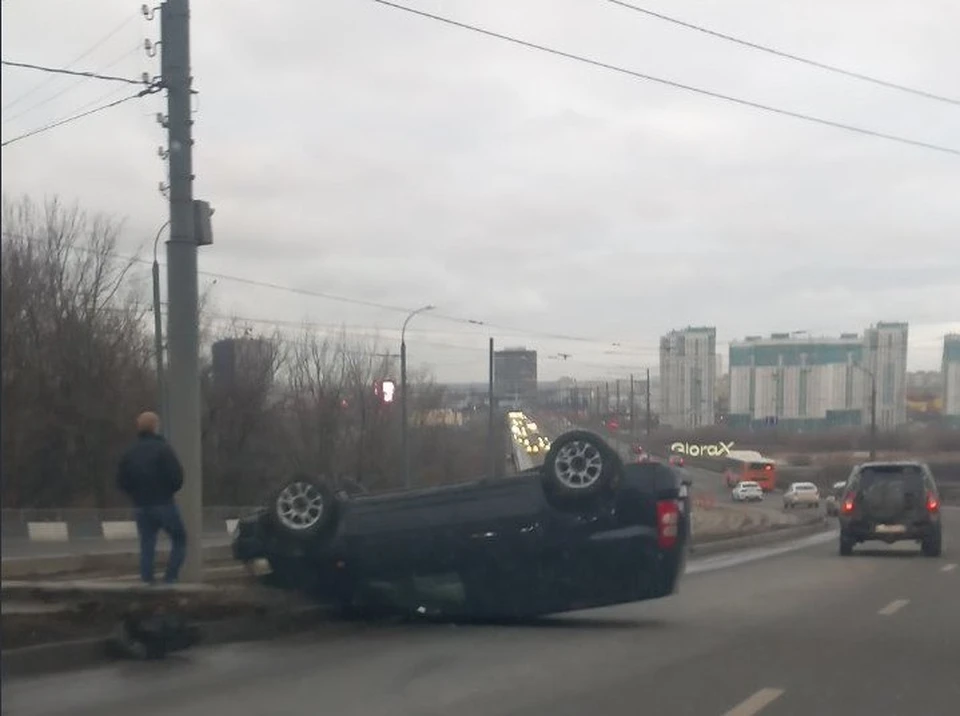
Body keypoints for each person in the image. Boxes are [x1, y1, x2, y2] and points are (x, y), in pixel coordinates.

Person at [117, 411, 187, 584]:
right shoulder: (163, 449)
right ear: (156, 427)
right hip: (164, 503)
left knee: (147, 545)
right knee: (180, 539)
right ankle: (170, 578)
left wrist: (136, 495)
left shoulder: (130, 452)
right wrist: (167, 491)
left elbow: (121, 480)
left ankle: (147, 582)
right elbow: (177, 477)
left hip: (141, 506)